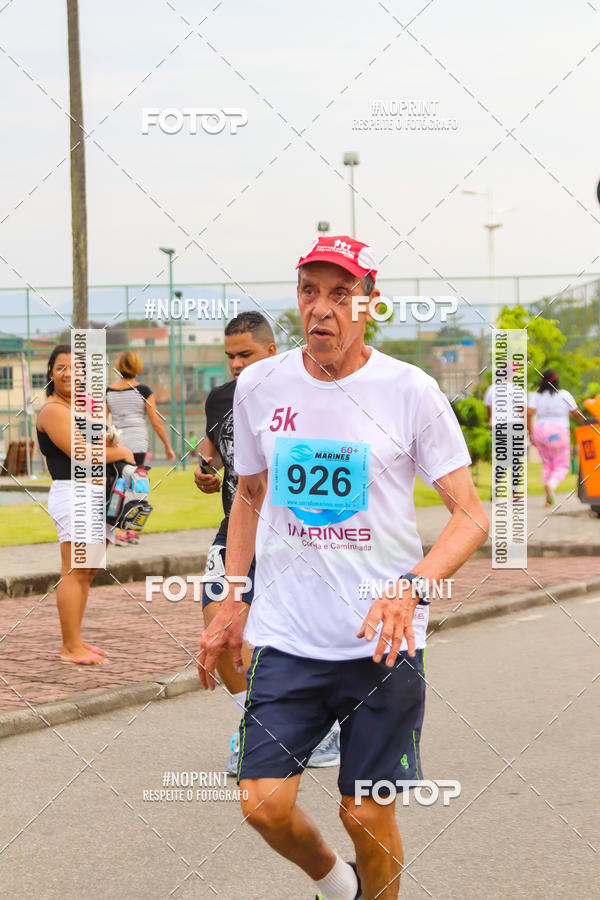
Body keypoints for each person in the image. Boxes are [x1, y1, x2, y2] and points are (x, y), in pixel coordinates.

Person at [198, 235, 489, 899]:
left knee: (364, 811)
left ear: (369, 304)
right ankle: (338, 886)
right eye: (310, 291)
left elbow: (470, 515)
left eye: (341, 294)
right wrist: (235, 598)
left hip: (381, 643)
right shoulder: (260, 385)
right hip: (290, 639)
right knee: (262, 803)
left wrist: (411, 589)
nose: (322, 309)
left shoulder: (408, 391)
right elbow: (247, 493)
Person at [36, 345, 135, 665]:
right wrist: (120, 453)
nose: (69, 374)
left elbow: (104, 441)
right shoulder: (52, 410)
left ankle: (76, 640)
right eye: (61, 367)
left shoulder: (80, 409)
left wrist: (111, 442)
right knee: (74, 571)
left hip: (99, 494)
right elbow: (82, 455)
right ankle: (69, 647)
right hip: (74, 494)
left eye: (76, 368)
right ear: (51, 373)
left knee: (88, 571)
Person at [107, 351, 175, 543]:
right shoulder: (143, 391)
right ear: (137, 367)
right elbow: (156, 421)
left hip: (117, 444)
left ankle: (114, 528)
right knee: (136, 484)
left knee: (119, 484)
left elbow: (102, 422)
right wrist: (168, 446)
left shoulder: (108, 392)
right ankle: (130, 530)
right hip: (137, 442)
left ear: (119, 367)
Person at [527, 369, 584, 507]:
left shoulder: (536, 396)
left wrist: (530, 433)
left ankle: (548, 498)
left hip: (540, 430)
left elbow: (529, 413)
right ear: (556, 381)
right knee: (562, 465)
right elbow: (576, 414)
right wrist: (588, 423)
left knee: (547, 464)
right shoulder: (564, 394)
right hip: (558, 432)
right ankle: (551, 485)